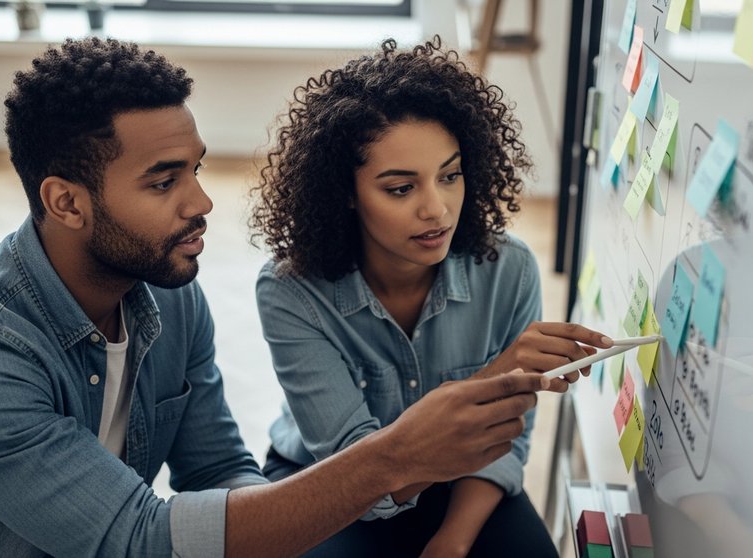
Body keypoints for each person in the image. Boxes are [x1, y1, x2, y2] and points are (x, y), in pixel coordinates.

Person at [0, 37, 553, 558]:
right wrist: (394, 456)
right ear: (66, 201)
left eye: (196, 170)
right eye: (162, 183)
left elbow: (217, 469)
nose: (202, 203)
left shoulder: (169, 298)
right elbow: (140, 541)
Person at [249, 37, 614, 557]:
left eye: (450, 175)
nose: (438, 210)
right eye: (401, 188)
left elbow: (505, 446)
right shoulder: (291, 291)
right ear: (346, 193)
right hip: (331, 480)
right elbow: (362, 478)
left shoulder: (508, 269)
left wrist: (454, 539)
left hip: (465, 482)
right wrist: (495, 378)